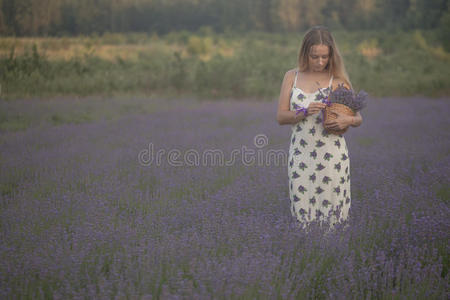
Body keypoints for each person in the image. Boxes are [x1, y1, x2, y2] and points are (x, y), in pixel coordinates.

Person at [276, 25, 362, 231]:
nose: (320, 62)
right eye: (315, 57)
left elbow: (358, 117)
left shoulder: (338, 81)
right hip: (301, 156)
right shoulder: (291, 77)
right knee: (302, 212)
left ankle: (336, 256)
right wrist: (303, 112)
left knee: (334, 217)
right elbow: (280, 117)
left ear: (331, 55)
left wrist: (347, 121)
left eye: (324, 57)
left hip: (332, 157)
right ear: (305, 53)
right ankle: (308, 255)